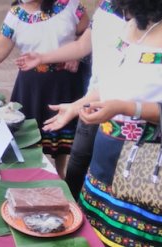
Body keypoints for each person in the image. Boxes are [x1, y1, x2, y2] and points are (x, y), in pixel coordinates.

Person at [40, 0, 162, 245]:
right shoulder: (129, 28)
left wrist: (126, 108)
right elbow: (111, 83)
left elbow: (128, 100)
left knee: (130, 237)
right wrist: (76, 106)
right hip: (104, 156)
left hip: (144, 164)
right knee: (95, 235)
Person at [0, 0, 90, 177]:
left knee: (62, 136)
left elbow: (87, 36)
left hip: (64, 82)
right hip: (31, 85)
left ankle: (60, 173)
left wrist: (77, 56)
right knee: (30, 136)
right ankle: (34, 175)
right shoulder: (15, 15)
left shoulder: (71, 6)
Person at [15, 0, 126, 199]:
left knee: (106, 177)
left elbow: (128, 75)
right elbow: (83, 45)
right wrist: (42, 58)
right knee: (77, 164)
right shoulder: (105, 7)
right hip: (93, 99)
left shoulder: (139, 16)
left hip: (122, 116)